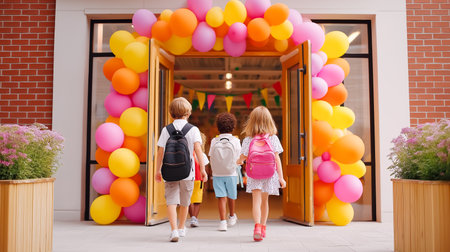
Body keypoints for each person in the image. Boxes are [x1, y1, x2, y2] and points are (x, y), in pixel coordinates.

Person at [155, 97, 208, 242]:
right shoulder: (193, 130)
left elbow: (160, 151)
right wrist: (202, 170)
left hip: (170, 170)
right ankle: (181, 227)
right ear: (188, 113)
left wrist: (158, 170)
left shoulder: (166, 129)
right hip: (188, 171)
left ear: (171, 114)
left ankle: (173, 231)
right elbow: (198, 150)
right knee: (185, 201)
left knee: (171, 201)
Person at [236, 106, 286, 241]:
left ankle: (257, 226)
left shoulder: (248, 140)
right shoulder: (273, 138)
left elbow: (243, 157)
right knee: (265, 201)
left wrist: (238, 161)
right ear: (269, 121)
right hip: (270, 174)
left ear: (252, 121)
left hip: (254, 174)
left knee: (256, 201)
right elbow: (277, 159)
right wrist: (281, 178)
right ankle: (263, 227)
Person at [209, 113, 241, 231]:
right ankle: (232, 216)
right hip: (231, 172)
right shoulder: (236, 140)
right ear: (233, 127)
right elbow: (239, 157)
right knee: (232, 195)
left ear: (218, 127)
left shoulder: (214, 141)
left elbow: (211, 156)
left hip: (217, 173)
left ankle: (222, 222)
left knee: (221, 197)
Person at [189, 133, 209, 227]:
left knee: (189, 200)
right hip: (199, 180)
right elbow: (206, 169)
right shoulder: (203, 155)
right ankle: (194, 218)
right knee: (197, 200)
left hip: (189, 179)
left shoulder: (188, 154)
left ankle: (192, 217)